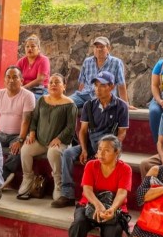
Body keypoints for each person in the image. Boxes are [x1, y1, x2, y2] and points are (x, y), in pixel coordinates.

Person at [61, 135, 132, 237]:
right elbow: (87, 190)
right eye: (99, 150)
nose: (101, 154)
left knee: (115, 229)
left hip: (114, 207)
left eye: (107, 150)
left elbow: (122, 193)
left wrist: (111, 209)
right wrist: (98, 206)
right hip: (89, 204)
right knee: (78, 222)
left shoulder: (125, 169)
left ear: (117, 152)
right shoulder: (91, 165)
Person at [53, 70, 129, 208]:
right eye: (96, 85)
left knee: (101, 156)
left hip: (110, 146)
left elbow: (122, 133)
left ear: (111, 87)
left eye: (102, 85)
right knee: (68, 153)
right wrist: (83, 150)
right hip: (90, 143)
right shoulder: (89, 105)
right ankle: (67, 194)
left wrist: (110, 150)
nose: (98, 89)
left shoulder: (121, 106)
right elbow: (82, 131)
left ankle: (97, 198)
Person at [17, 74, 77, 200]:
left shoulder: (70, 104)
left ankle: (58, 184)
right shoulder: (42, 100)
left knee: (53, 152)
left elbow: (71, 127)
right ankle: (27, 178)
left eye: (57, 82)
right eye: (51, 82)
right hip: (40, 140)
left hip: (61, 141)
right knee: (25, 150)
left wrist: (59, 138)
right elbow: (34, 118)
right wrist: (32, 132)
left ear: (64, 86)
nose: (53, 84)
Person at [0, 65, 36, 189]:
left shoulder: (28, 95)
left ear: (21, 80)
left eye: (15, 77)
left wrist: (20, 140)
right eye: (8, 77)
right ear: (4, 80)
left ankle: (4, 176)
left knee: (16, 150)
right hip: (1, 133)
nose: (11, 80)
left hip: (19, 134)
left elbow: (26, 120)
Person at [70, 36, 129, 109]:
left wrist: (125, 104)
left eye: (102, 47)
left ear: (108, 48)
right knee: (66, 103)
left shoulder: (116, 63)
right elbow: (82, 83)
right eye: (96, 47)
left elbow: (121, 85)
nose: (98, 49)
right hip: (85, 95)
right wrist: (79, 100)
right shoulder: (87, 61)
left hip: (104, 97)